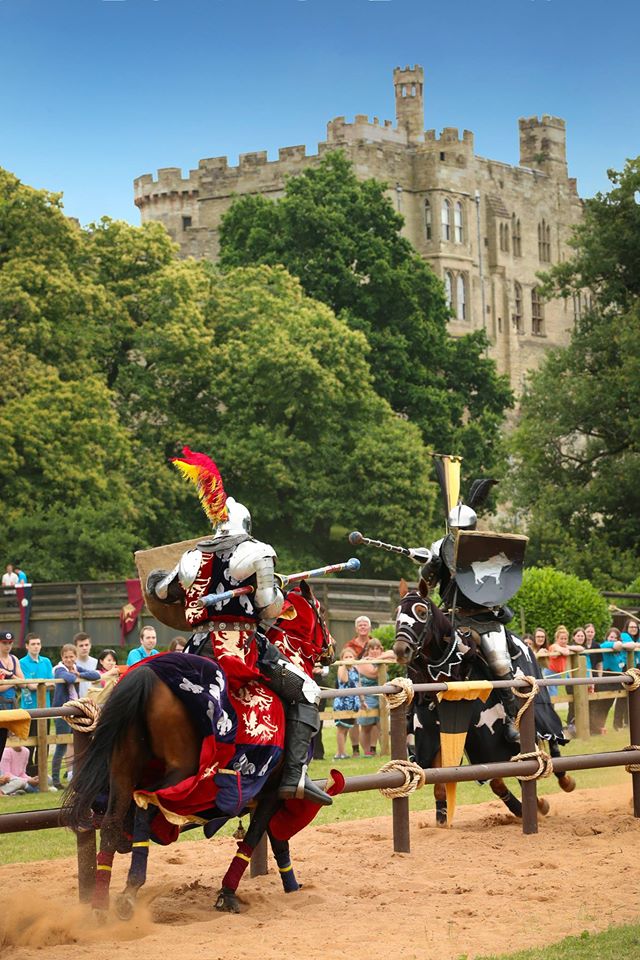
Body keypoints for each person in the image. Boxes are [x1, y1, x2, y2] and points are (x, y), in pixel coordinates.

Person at [147, 446, 331, 806]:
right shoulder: (256, 552)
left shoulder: (192, 555)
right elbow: (270, 610)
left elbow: (163, 590)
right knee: (309, 690)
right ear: (246, 525)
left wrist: (157, 578)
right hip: (245, 647)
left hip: (199, 648)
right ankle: (294, 776)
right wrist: (276, 587)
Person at [420, 502, 523, 743]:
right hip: (452, 617)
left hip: (484, 616)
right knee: (425, 655)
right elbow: (428, 584)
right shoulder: (439, 546)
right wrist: (429, 568)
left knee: (499, 665)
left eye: (462, 528)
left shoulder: (485, 546)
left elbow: (500, 580)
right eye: (455, 528)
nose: (458, 532)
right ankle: (415, 715)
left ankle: (512, 718)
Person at [51, 643, 100, 789]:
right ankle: (55, 780)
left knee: (79, 742)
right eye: (66, 657)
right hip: (62, 711)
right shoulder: (60, 668)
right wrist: (76, 674)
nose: (69, 659)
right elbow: (68, 678)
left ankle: (78, 776)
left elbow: (96, 675)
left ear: (75, 657)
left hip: (75, 710)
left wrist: (80, 674)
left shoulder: (76, 667)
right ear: (62, 657)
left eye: (71, 657)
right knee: (61, 745)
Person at [19, 633, 54, 776]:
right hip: (29, 708)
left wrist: (40, 683)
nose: (36, 647)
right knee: (30, 744)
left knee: (44, 743)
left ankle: (40, 775)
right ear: (27, 646)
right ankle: (27, 774)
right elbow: (30, 686)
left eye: (38, 644)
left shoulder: (46, 661)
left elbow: (54, 684)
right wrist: (43, 683)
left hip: (46, 707)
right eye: (33, 644)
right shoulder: (22, 662)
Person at [355, 638, 396, 757]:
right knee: (366, 727)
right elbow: (373, 673)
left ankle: (383, 750)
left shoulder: (379, 660)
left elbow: (393, 654)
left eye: (378, 648)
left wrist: (378, 659)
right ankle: (367, 752)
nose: (375, 650)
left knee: (382, 726)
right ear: (367, 650)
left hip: (383, 698)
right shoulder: (363, 662)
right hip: (368, 698)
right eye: (372, 648)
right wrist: (381, 659)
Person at [333, 649, 361, 759]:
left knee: (347, 728)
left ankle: (340, 752)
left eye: (351, 657)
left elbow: (359, 685)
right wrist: (344, 665)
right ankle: (340, 753)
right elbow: (344, 680)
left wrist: (362, 701)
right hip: (342, 703)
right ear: (342, 659)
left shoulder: (355, 669)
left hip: (353, 703)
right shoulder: (341, 668)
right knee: (341, 728)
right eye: (346, 657)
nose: (349, 659)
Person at [0, 630, 24, 710]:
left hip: (12, 702)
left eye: (10, 643)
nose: (8, 646)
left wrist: (10, 675)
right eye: (4, 643)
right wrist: (14, 683)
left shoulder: (14, 659)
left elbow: (23, 684)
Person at [74, 633, 98, 698]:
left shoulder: (96, 662)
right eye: (81, 646)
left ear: (90, 646)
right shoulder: (71, 664)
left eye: (86, 645)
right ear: (76, 647)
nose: (84, 648)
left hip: (94, 701)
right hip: (76, 702)